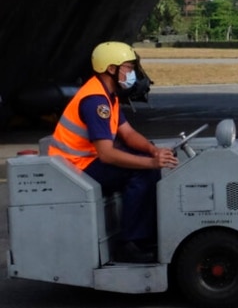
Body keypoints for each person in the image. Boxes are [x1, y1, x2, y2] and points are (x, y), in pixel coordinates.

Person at [48, 41, 178, 263]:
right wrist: (151, 164)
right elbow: (107, 154)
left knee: (143, 162)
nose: (131, 73)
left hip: (84, 161)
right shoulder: (96, 101)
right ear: (111, 69)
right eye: (127, 67)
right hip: (74, 167)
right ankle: (130, 243)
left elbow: (127, 133)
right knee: (143, 172)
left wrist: (153, 151)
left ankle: (144, 235)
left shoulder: (109, 95)